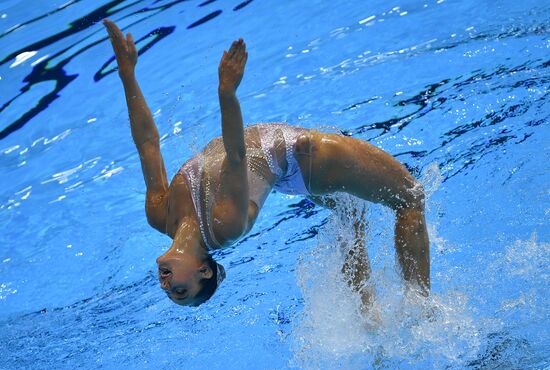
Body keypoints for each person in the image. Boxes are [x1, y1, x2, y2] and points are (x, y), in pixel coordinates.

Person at [103, 19, 430, 308]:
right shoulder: (223, 226)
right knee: (410, 197)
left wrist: (127, 75)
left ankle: (368, 316)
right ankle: (421, 313)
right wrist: (227, 93)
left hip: (284, 174)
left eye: (169, 291)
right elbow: (236, 155)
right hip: (308, 158)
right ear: (203, 270)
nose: (166, 285)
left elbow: (147, 145)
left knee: (351, 215)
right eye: (180, 290)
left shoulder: (160, 214)